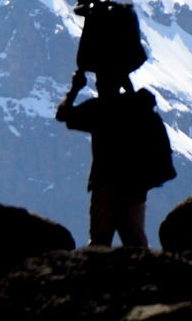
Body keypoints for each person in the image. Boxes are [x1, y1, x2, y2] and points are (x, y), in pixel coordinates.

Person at [56, 69, 172, 247]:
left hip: (106, 183)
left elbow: (63, 115)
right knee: (136, 243)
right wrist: (129, 88)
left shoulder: (99, 108)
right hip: (136, 184)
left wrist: (75, 88)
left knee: (99, 244)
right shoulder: (138, 106)